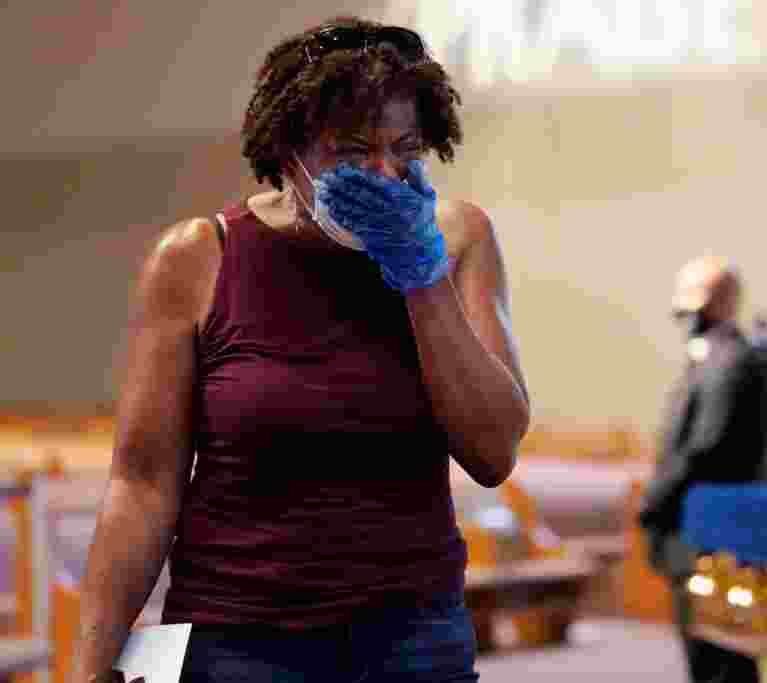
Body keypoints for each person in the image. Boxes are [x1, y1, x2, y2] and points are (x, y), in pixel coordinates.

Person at [71, 15, 530, 683]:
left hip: (411, 639)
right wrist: (89, 665)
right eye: (352, 154)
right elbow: (142, 485)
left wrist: (421, 276)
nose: (384, 174)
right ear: (288, 153)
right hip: (237, 642)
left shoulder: (458, 239)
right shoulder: (198, 257)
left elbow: (493, 452)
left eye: (405, 149)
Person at [639, 256, 767, 683]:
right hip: (698, 531)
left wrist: (655, 500)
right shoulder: (712, 359)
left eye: (689, 300)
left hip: (713, 534)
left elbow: (705, 447)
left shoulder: (729, 362)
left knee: (721, 660)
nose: (682, 312)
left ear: (716, 302)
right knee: (707, 657)